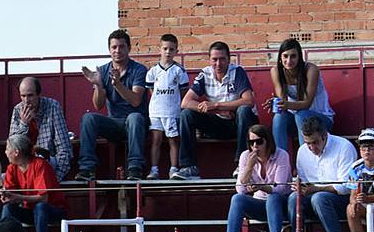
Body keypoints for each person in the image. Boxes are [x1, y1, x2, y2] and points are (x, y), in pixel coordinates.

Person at [175, 40, 257, 179]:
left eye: (222, 59)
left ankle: (241, 165)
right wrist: (217, 110)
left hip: (239, 124)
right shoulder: (205, 74)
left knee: (243, 111)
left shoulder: (237, 72)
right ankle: (189, 168)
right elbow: (186, 102)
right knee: (186, 115)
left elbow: (248, 100)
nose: (218, 64)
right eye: (214, 59)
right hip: (217, 123)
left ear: (229, 59)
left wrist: (217, 105)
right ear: (209, 60)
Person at [75, 29, 149, 181]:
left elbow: (136, 101)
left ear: (129, 48)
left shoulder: (139, 69)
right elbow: (98, 105)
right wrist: (98, 85)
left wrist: (117, 84)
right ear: (109, 49)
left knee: (135, 117)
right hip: (114, 123)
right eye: (114, 47)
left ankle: (135, 169)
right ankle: (87, 169)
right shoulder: (102, 71)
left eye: (122, 46)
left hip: (135, 124)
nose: (117, 51)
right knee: (89, 118)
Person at [288, 116, 357, 232]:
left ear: (325, 135)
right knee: (293, 198)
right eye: (308, 143)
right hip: (314, 198)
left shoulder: (344, 147)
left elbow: (345, 187)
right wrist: (299, 187)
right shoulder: (302, 151)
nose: (312, 147)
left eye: (315, 142)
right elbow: (304, 181)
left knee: (319, 198)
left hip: (341, 199)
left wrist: (315, 189)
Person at [225, 122, 290, 232]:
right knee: (237, 199)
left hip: (281, 204)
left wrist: (262, 187)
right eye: (251, 142)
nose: (255, 146)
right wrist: (249, 167)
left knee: (273, 197)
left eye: (259, 142)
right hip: (260, 204)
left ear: (267, 141)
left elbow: (281, 188)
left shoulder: (281, 155)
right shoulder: (245, 156)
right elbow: (240, 190)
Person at [0, 133, 67, 232]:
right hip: (30, 210)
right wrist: (6, 196)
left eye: (7, 149)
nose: (5, 152)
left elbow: (44, 198)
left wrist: (17, 197)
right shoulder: (11, 168)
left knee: (41, 207)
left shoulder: (40, 165)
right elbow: (11, 193)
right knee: (7, 208)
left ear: (16, 152)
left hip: (52, 210)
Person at [269, 38, 333, 155]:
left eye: (293, 56)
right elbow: (282, 101)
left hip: (322, 120)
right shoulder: (276, 71)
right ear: (280, 57)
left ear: (299, 57)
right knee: (279, 116)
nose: (289, 60)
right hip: (295, 121)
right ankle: (280, 161)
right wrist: (277, 104)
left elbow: (306, 104)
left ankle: (306, 159)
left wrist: (286, 105)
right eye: (285, 56)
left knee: (301, 114)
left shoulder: (310, 69)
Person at [8, 76, 73, 181]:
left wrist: (56, 178)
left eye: (30, 96)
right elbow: (12, 150)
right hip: (25, 167)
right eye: (23, 96)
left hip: (47, 164)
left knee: (42, 159)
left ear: (39, 95)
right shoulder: (17, 110)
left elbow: (64, 148)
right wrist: (24, 124)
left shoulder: (52, 107)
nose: (26, 100)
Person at [144, 33, 190, 179]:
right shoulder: (152, 71)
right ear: (160, 49)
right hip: (156, 111)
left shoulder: (179, 71)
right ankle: (154, 170)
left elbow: (183, 92)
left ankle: (173, 169)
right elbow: (151, 91)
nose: (168, 52)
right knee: (156, 141)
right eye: (165, 48)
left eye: (171, 49)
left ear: (176, 51)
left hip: (172, 112)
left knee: (173, 141)